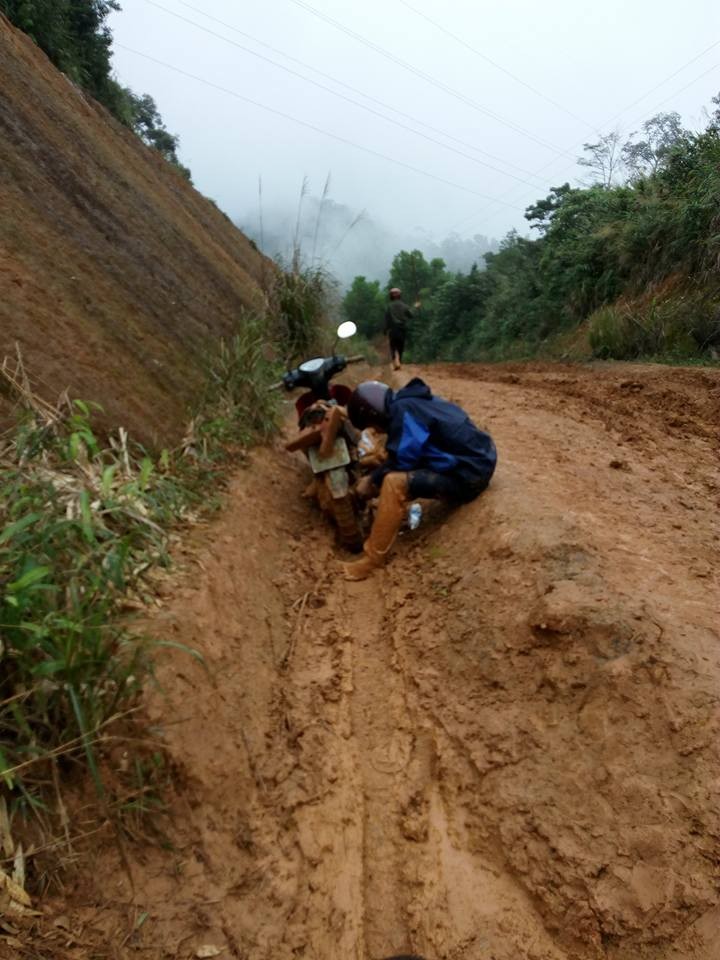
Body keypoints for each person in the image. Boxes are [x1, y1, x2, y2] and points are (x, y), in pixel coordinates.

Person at [343, 378, 497, 581]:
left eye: (374, 427)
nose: (378, 432)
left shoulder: (402, 412)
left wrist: (372, 480)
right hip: (479, 461)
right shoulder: (412, 402)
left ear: (374, 414)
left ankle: (372, 560)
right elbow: (408, 449)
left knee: (393, 483)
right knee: (389, 470)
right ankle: (394, 519)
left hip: (469, 476)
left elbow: (403, 460)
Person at [384, 287, 413, 371]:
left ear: (391, 296)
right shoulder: (404, 305)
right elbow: (411, 315)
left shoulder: (389, 306)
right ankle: (399, 361)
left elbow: (387, 318)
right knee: (401, 346)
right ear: (400, 295)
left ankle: (395, 361)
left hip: (393, 329)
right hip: (402, 329)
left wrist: (385, 329)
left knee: (393, 346)